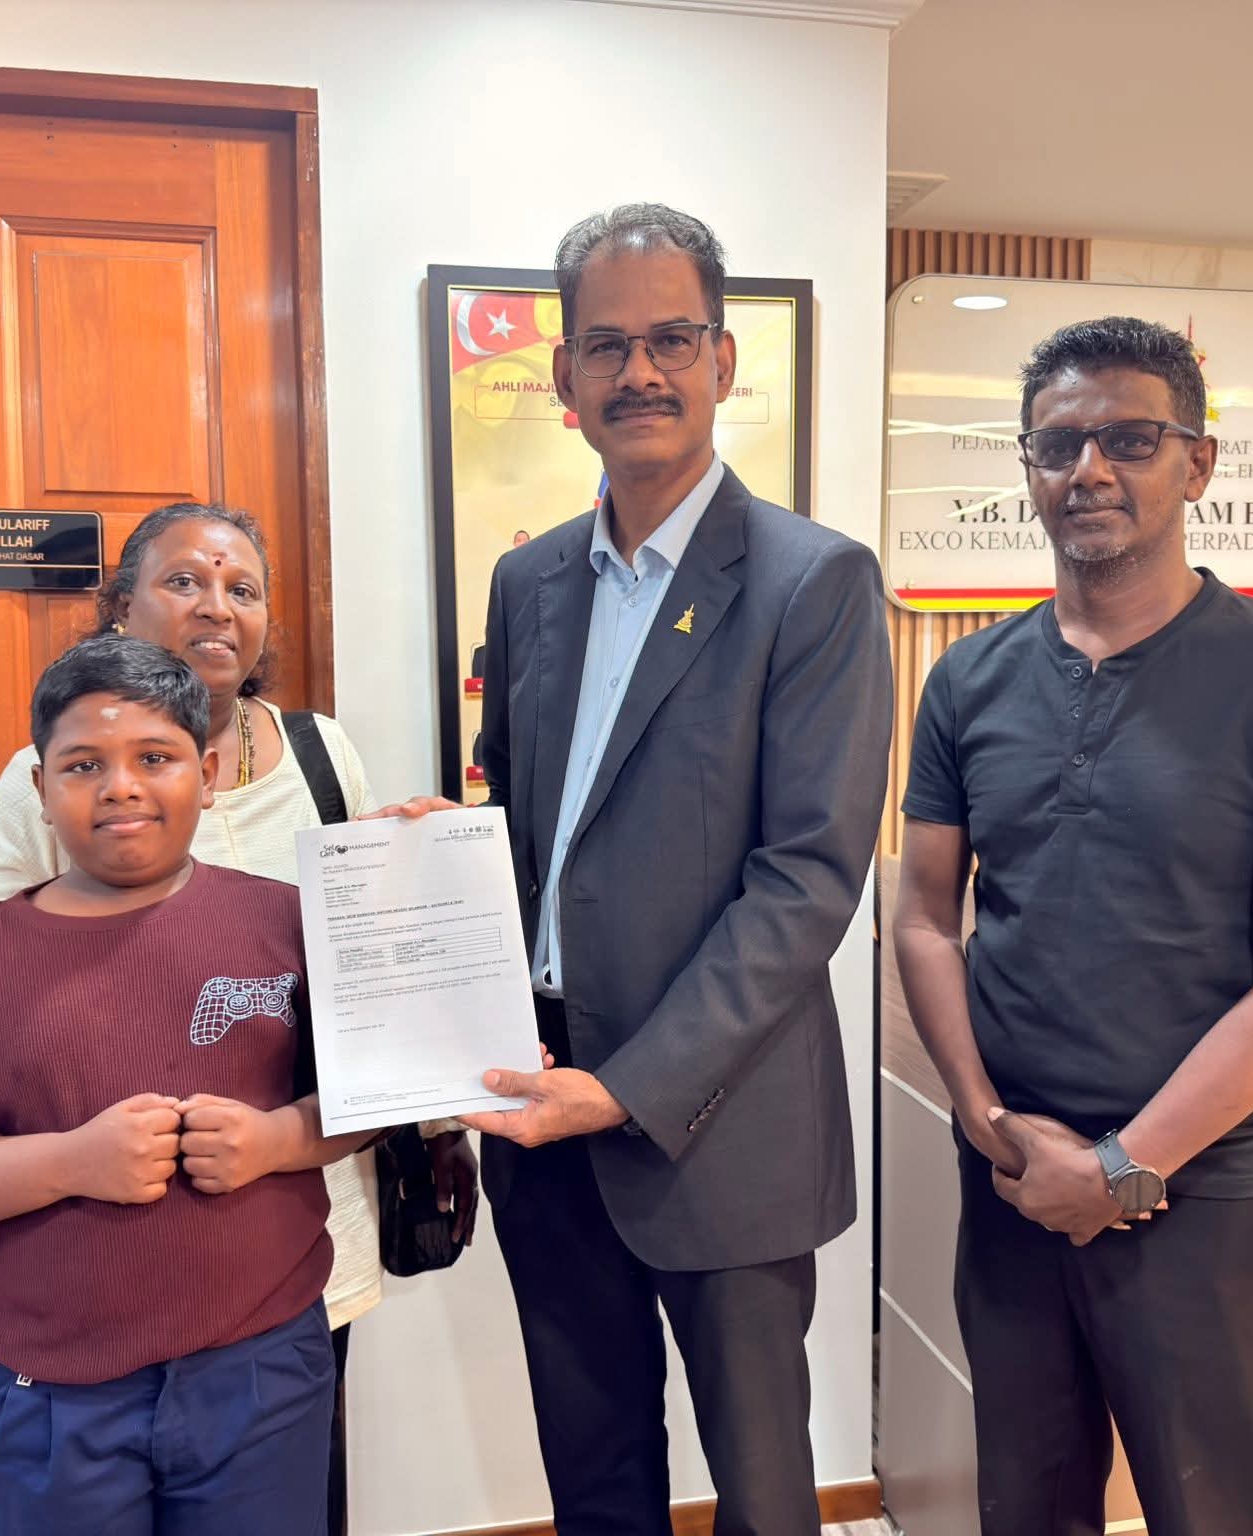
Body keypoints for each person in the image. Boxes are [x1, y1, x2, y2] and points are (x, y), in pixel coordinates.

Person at [0, 502, 477, 1536]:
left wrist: (421, 874)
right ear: (120, 606)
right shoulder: (23, 827)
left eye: (242, 589)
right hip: (80, 1302)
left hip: (280, 1257)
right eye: (183, 581)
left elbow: (366, 1004)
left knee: (289, 1485)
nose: (217, 607)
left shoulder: (318, 756)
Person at [376, 204, 892, 1534]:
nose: (639, 372)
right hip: (538, 1102)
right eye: (606, 345)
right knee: (592, 1478)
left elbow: (806, 882)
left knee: (763, 1493)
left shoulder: (813, 583)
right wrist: (449, 855)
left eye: (670, 339)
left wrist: (627, 1088)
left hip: (721, 1122)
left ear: (724, 360)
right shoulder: (530, 581)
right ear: (563, 375)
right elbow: (531, 821)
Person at [892, 315, 1253, 1536]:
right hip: (1012, 1184)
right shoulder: (966, 681)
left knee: (1210, 1516)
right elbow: (922, 921)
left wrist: (1118, 1171)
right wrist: (989, 1125)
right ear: (1026, 467)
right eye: (1057, 445)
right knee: (1026, 1511)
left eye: (1128, 439)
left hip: (1201, 1199)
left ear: (1195, 463)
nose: (1088, 469)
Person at [0, 633, 364, 1532]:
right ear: (40, 787)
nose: (121, 786)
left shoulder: (286, 921)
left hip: (260, 1368)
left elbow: (375, 1092)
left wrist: (277, 1139)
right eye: (84, 764)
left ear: (208, 774)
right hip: (44, 1393)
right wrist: (70, 1163)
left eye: (155, 758)